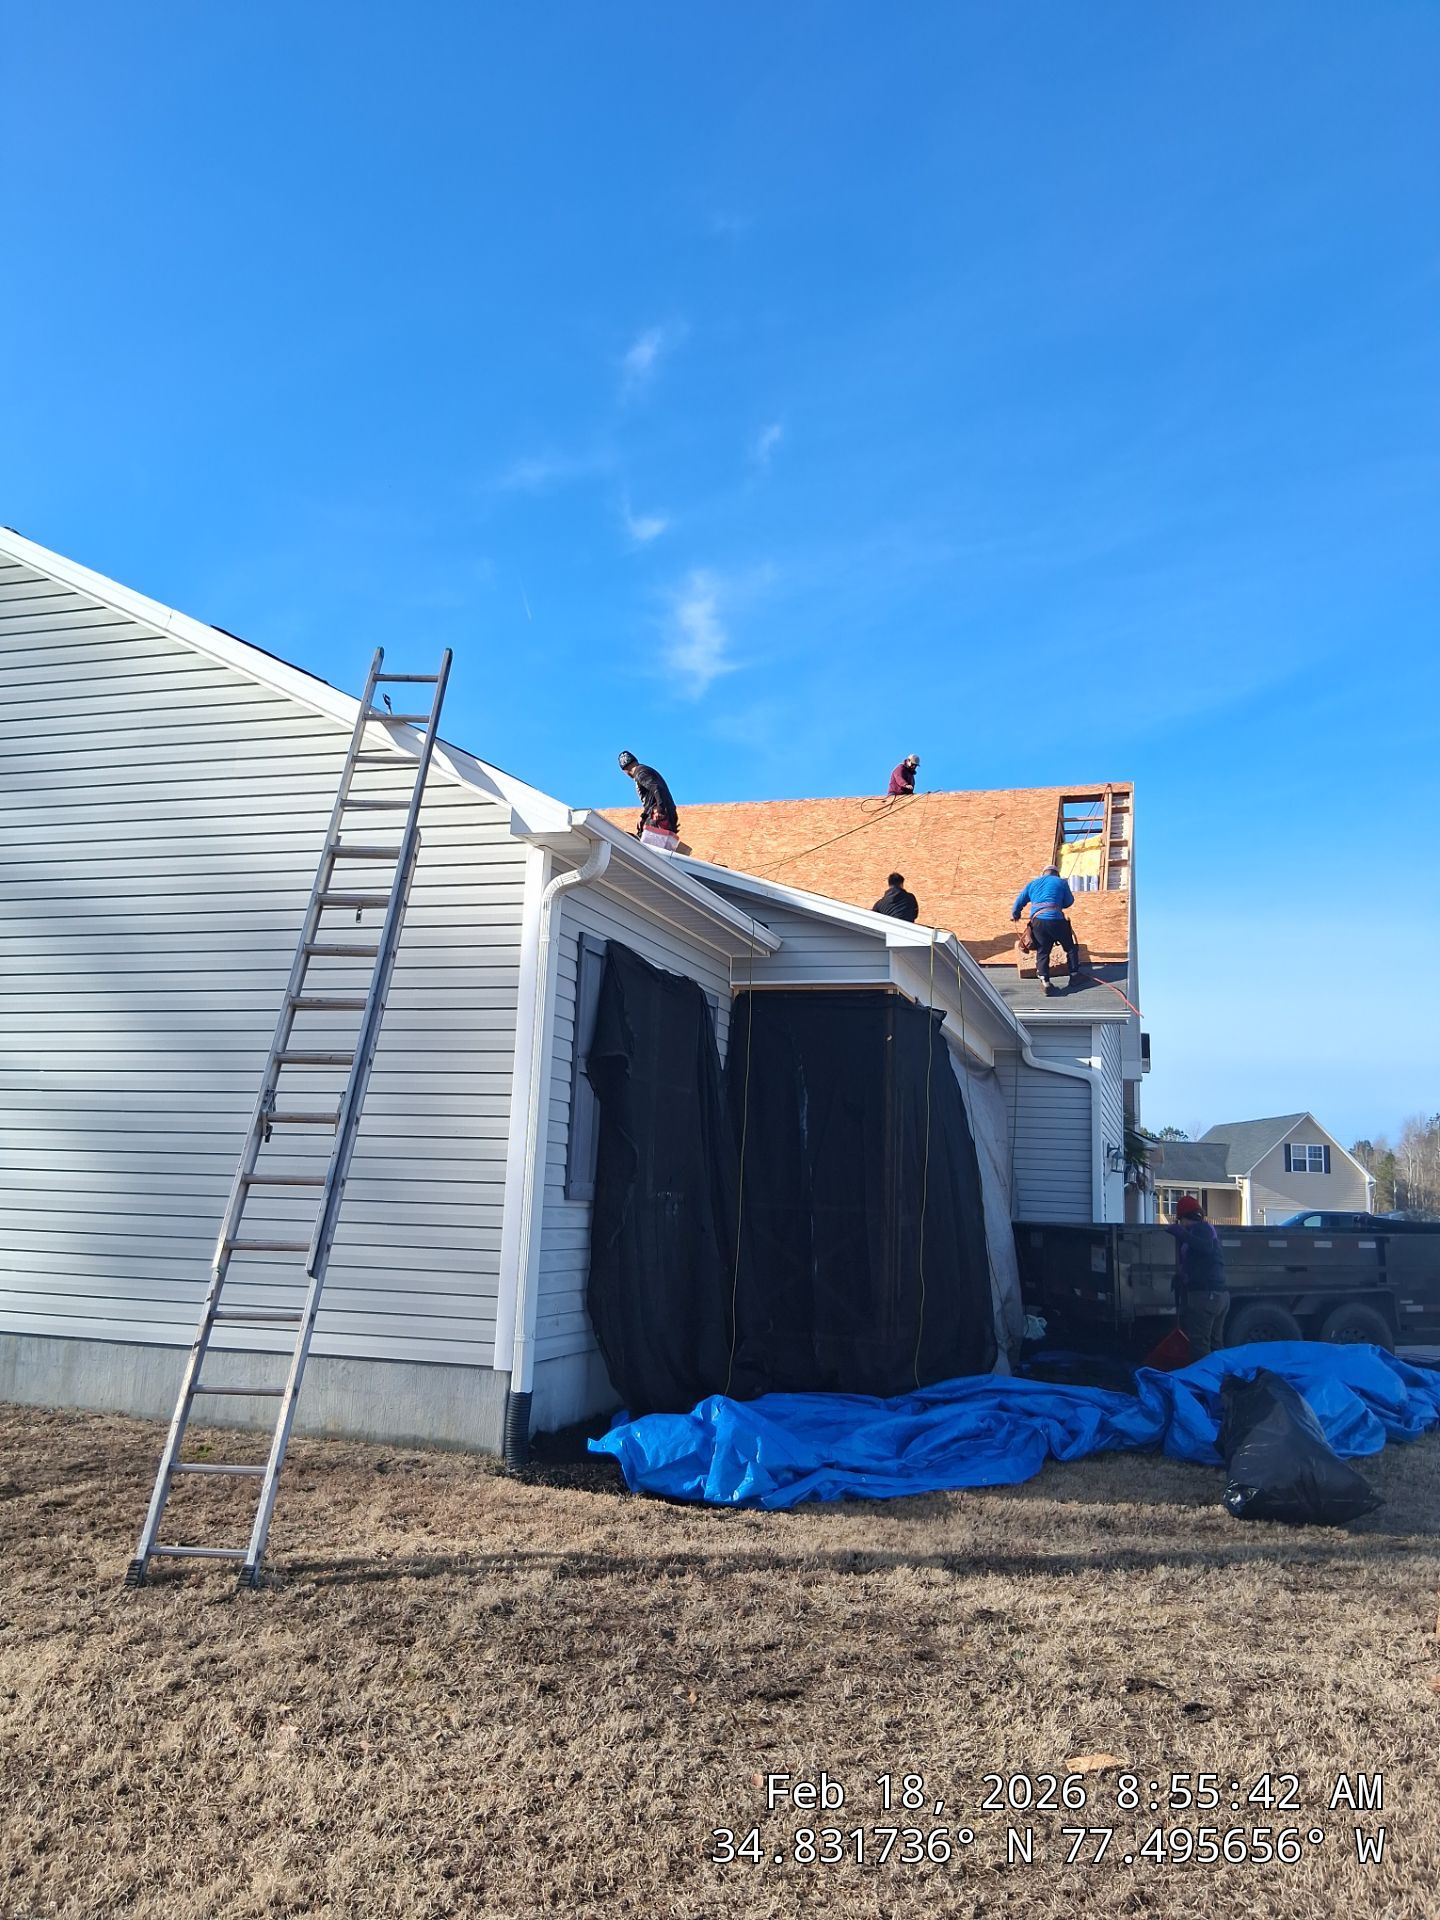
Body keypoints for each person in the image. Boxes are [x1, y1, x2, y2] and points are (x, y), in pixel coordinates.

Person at [1165, 1195, 1230, 1359]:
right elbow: (1198, 1259)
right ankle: (1221, 1379)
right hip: (1217, 1295)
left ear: (1184, 1217)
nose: (1180, 1224)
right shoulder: (1202, 1230)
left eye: (1180, 1220)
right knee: (1215, 1344)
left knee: (1200, 1345)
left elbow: (1205, 1247)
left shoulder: (1202, 1229)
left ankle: (1204, 1381)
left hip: (1206, 1296)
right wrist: (1182, 1277)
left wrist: (1181, 1234)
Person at [1011, 863, 1081, 995]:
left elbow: (1019, 901)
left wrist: (1016, 915)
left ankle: (1045, 982)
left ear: (1043, 873)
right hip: (1057, 920)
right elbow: (1069, 902)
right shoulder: (1061, 882)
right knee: (1070, 947)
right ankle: (1074, 975)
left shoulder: (1032, 883)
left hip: (1038, 922)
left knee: (1043, 951)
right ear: (1056, 874)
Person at [617, 750, 679, 844]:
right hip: (665, 814)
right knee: (643, 837)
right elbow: (650, 801)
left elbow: (657, 788)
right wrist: (643, 817)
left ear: (625, 770)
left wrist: (660, 809)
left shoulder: (640, 773)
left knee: (648, 848)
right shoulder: (644, 770)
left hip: (660, 816)